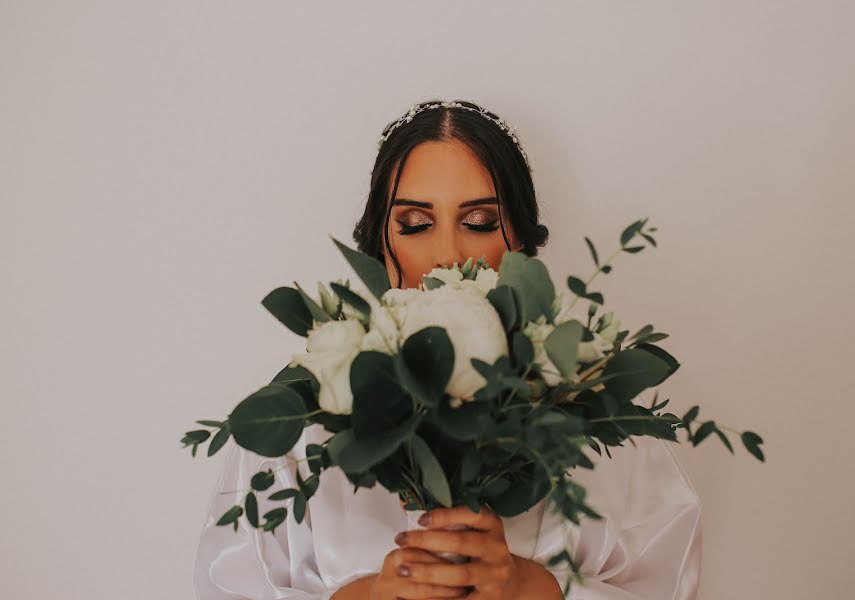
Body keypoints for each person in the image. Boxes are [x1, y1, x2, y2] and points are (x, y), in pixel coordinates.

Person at [194, 99, 702, 599]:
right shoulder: (296, 425)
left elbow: (670, 580)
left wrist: (531, 589)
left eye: (479, 222)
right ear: (377, 245)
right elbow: (227, 585)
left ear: (523, 243)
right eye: (414, 224)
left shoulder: (604, 425)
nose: (446, 256)